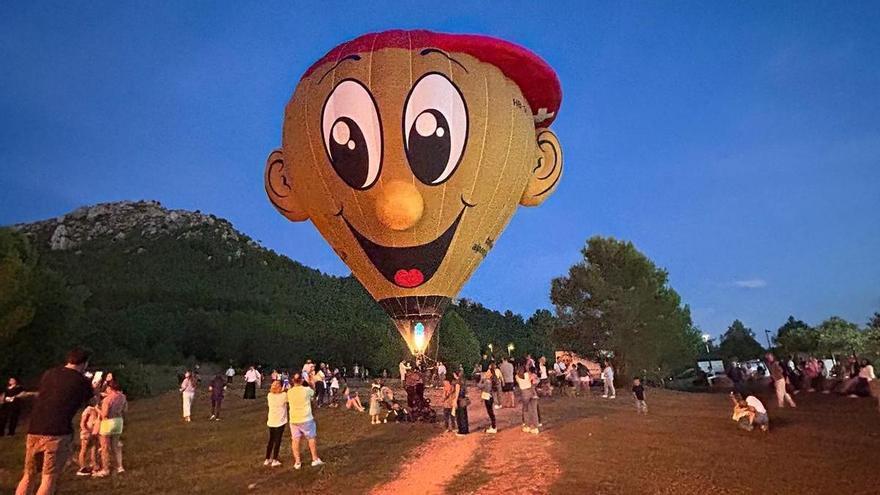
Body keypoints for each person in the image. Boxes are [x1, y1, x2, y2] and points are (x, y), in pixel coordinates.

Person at [16, 347, 93, 495]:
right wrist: (94, 388)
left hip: (34, 430)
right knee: (49, 478)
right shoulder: (82, 381)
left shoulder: (49, 374)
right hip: (57, 434)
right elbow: (93, 402)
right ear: (84, 363)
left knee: (28, 475)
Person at [287, 373, 323, 469]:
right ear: (302, 380)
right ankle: (315, 459)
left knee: (295, 440)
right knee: (311, 438)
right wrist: (310, 383)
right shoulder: (306, 390)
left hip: (294, 419)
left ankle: (297, 462)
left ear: (293, 381)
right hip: (306, 418)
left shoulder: (289, 392)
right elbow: (314, 392)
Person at [93, 379, 127, 477]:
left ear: (109, 388)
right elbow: (125, 410)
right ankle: (120, 467)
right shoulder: (123, 397)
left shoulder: (107, 400)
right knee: (116, 446)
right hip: (118, 421)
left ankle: (105, 469)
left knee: (105, 447)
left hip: (108, 423)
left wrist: (97, 409)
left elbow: (105, 414)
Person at [264, 380, 288, 467]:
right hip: (280, 421)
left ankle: (267, 458)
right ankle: (275, 459)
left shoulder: (269, 395)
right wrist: (286, 389)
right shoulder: (284, 395)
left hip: (271, 421)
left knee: (271, 440)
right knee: (277, 441)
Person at [76, 397, 101, 476]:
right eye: (94, 400)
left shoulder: (96, 409)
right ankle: (82, 467)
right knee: (84, 449)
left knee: (94, 448)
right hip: (87, 432)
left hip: (94, 432)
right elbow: (83, 422)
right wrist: (86, 431)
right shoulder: (88, 410)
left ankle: (94, 465)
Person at [516, 365, 539, 434]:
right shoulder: (528, 374)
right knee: (534, 411)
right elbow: (535, 381)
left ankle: (527, 426)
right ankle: (535, 427)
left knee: (526, 410)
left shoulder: (517, 376)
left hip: (525, 393)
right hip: (532, 392)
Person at [478, 369, 498, 433]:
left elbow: (479, 386)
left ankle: (494, 427)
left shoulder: (487, 381)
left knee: (490, 412)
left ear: (491, 374)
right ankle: (493, 426)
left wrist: (482, 379)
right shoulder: (490, 380)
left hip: (488, 397)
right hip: (489, 397)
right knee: (490, 412)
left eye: (488, 372)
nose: (486, 373)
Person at [454, 370, 469, 436]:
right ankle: (466, 430)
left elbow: (457, 392)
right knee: (464, 415)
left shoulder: (458, 382)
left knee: (460, 415)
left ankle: (462, 431)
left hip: (459, 399)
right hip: (463, 399)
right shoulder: (463, 381)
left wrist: (455, 400)